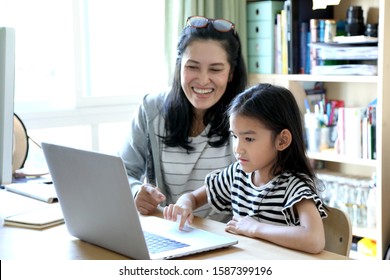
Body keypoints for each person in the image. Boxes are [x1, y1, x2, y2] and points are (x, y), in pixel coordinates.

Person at [164, 83, 328, 254]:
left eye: (248, 139)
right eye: (235, 136)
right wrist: (184, 204)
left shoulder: (294, 187)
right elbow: (193, 198)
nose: (238, 148)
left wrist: (255, 228)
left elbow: (314, 240)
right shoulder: (236, 175)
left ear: (282, 140)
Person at [119, 15, 247, 221]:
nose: (203, 80)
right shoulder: (151, 109)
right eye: (192, 67)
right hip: (167, 232)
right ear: (179, 66)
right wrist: (136, 191)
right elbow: (121, 171)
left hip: (227, 239)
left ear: (231, 73)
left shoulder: (248, 118)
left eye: (215, 69)